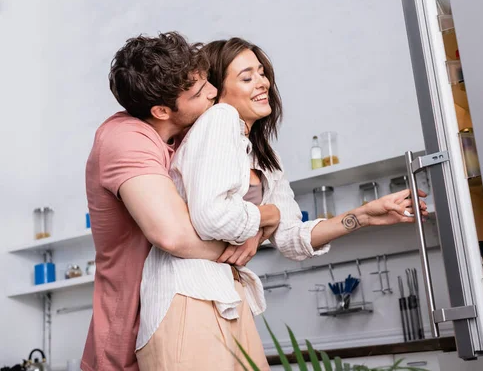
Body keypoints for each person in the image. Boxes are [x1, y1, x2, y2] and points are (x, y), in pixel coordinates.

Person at [135, 37, 428, 371]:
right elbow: (211, 217)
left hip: (225, 295)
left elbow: (290, 238)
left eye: (261, 73)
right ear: (217, 90)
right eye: (246, 77)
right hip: (187, 295)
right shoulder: (220, 119)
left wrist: (362, 216)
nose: (262, 82)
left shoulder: (263, 156)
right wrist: (266, 215)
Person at [82, 32, 247, 371]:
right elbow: (172, 235)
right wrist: (241, 243)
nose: (214, 93)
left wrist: (255, 224)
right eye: (200, 93)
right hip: (128, 339)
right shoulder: (124, 139)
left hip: (182, 317)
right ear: (160, 110)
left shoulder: (179, 133)